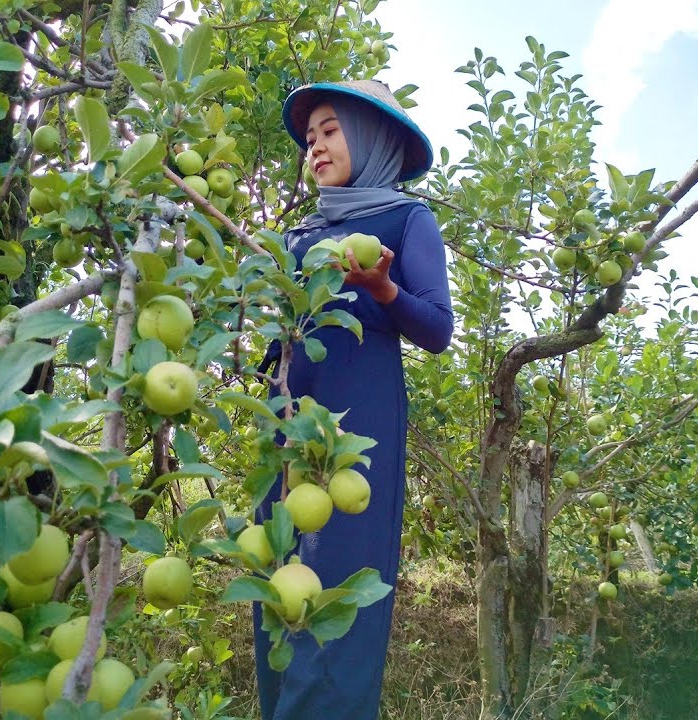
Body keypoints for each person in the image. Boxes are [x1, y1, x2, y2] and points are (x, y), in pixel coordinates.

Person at [251, 79, 454, 720]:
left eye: (331, 130)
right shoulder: (300, 234)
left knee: (338, 597)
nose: (315, 146)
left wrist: (384, 288)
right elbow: (275, 340)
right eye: (309, 138)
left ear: (370, 138)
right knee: (279, 589)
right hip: (286, 431)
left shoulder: (405, 219)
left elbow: (439, 330)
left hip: (358, 437)